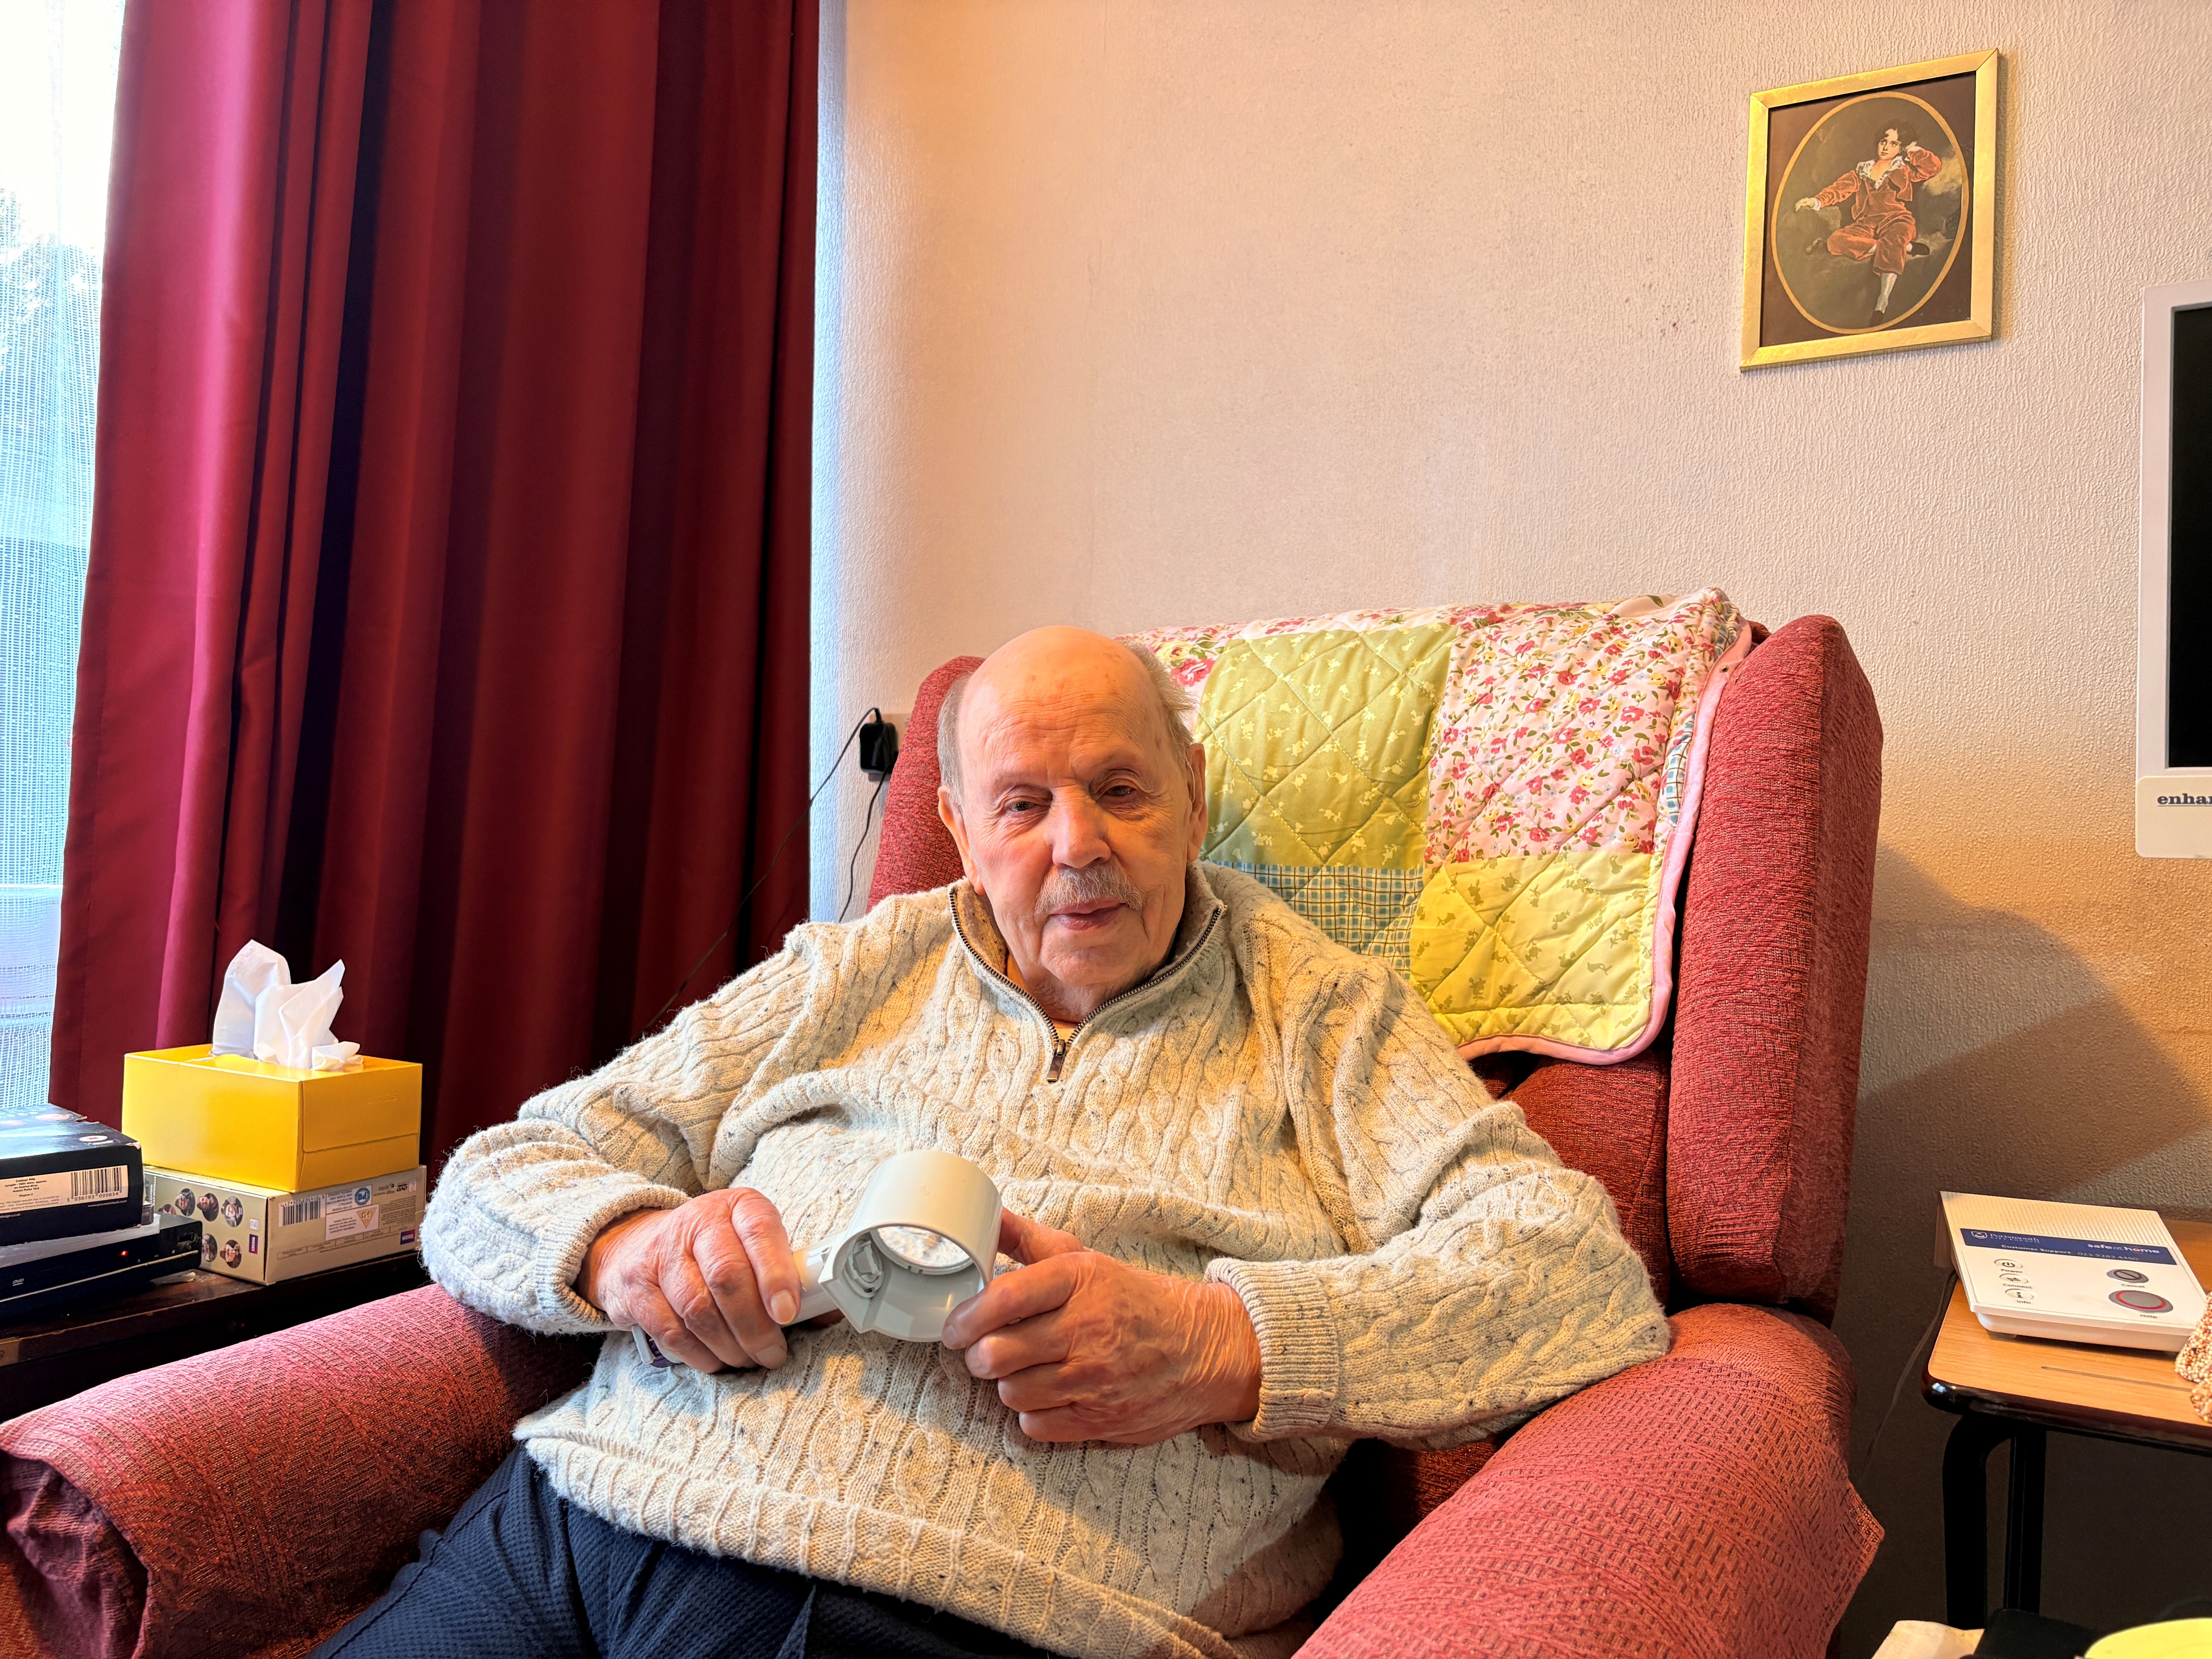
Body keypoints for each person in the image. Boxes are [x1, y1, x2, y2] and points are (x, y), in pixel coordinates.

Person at [316, 626, 1669, 1659]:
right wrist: (628, 1250)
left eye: (1122, 789)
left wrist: (1221, 1343)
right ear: (960, 829)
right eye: (1022, 805)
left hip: (949, 1609)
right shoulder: (850, 970)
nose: (1078, 845)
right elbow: (497, 1171)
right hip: (574, 1523)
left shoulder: (1320, 1014)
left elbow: (1575, 1279)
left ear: (1193, 797)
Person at [1796, 120, 1944, 326]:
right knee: (1836, 240)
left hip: (1896, 220)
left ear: (1901, 147)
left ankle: (1882, 301)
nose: (1886, 147)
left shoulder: (1903, 170)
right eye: (1884, 141)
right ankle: (1906, 248)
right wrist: (1814, 201)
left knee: (1895, 237)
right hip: (1866, 224)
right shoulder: (1862, 171)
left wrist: (1912, 149)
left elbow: (1933, 167)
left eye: (1894, 144)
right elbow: (1839, 190)